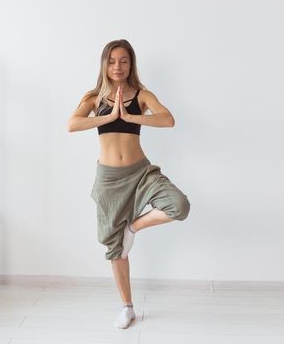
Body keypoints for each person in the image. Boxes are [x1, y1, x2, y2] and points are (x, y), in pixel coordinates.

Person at [67, 39, 191, 329]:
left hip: (140, 172)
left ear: (131, 64)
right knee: (116, 249)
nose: (117, 66)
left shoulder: (142, 95)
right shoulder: (94, 98)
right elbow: (72, 124)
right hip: (109, 180)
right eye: (112, 61)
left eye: (123, 61)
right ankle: (127, 307)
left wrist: (130, 115)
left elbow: (168, 120)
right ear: (104, 64)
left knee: (179, 205)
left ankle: (132, 226)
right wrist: (109, 116)